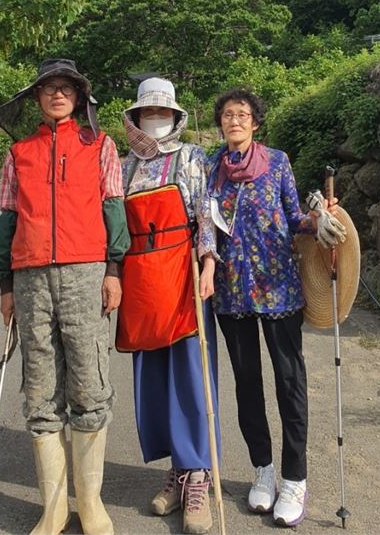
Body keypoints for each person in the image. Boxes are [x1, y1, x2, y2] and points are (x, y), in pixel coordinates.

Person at [0, 59, 129, 535]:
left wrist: (113, 270)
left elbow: (113, 209)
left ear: (80, 97)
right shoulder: (18, 152)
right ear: (37, 98)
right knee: (41, 389)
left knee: (88, 382)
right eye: (49, 88)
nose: (58, 94)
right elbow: (8, 218)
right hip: (29, 279)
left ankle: (90, 503)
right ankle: (53, 507)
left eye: (66, 88)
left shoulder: (100, 145)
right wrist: (5, 285)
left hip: (85, 273)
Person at [206, 88, 340, 528]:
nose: (235, 121)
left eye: (242, 114)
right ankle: (262, 471)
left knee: (289, 382)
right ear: (221, 123)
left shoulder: (278, 161)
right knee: (247, 384)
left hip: (278, 290)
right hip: (231, 293)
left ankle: (295, 477)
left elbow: (294, 216)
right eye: (228, 115)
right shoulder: (211, 168)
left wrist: (318, 219)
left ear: (255, 122)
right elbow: (205, 225)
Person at [118, 77, 219, 535]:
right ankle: (176, 474)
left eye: (162, 112)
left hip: (181, 276)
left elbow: (205, 213)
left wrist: (208, 264)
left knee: (191, 372)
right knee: (153, 377)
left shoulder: (192, 157)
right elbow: (115, 226)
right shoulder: (122, 167)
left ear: (174, 117)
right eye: (147, 113)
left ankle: (198, 475)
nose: (154, 119)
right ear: (137, 118)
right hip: (141, 282)